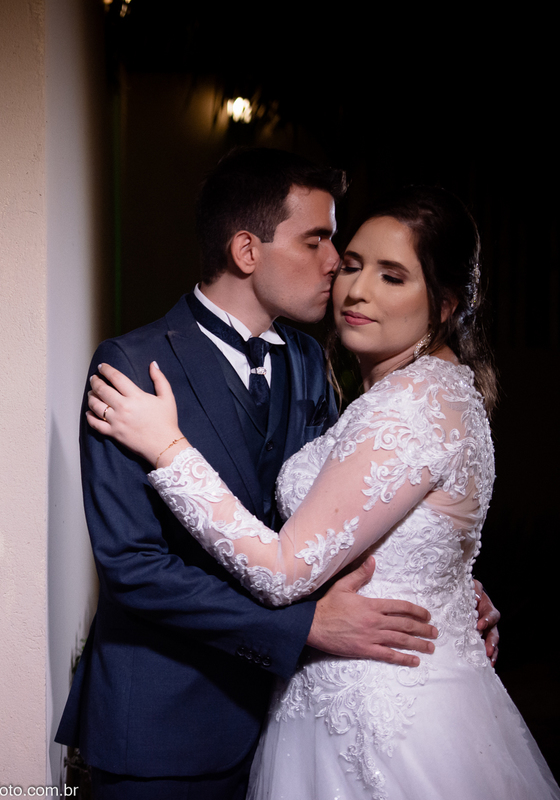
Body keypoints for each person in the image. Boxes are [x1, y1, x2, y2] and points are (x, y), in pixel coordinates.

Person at [54, 149, 499, 799]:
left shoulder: (306, 361)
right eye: (318, 241)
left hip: (293, 716)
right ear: (246, 251)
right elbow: (133, 565)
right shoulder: (132, 365)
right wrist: (300, 629)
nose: (336, 266)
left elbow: (346, 508)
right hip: (167, 720)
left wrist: (445, 583)